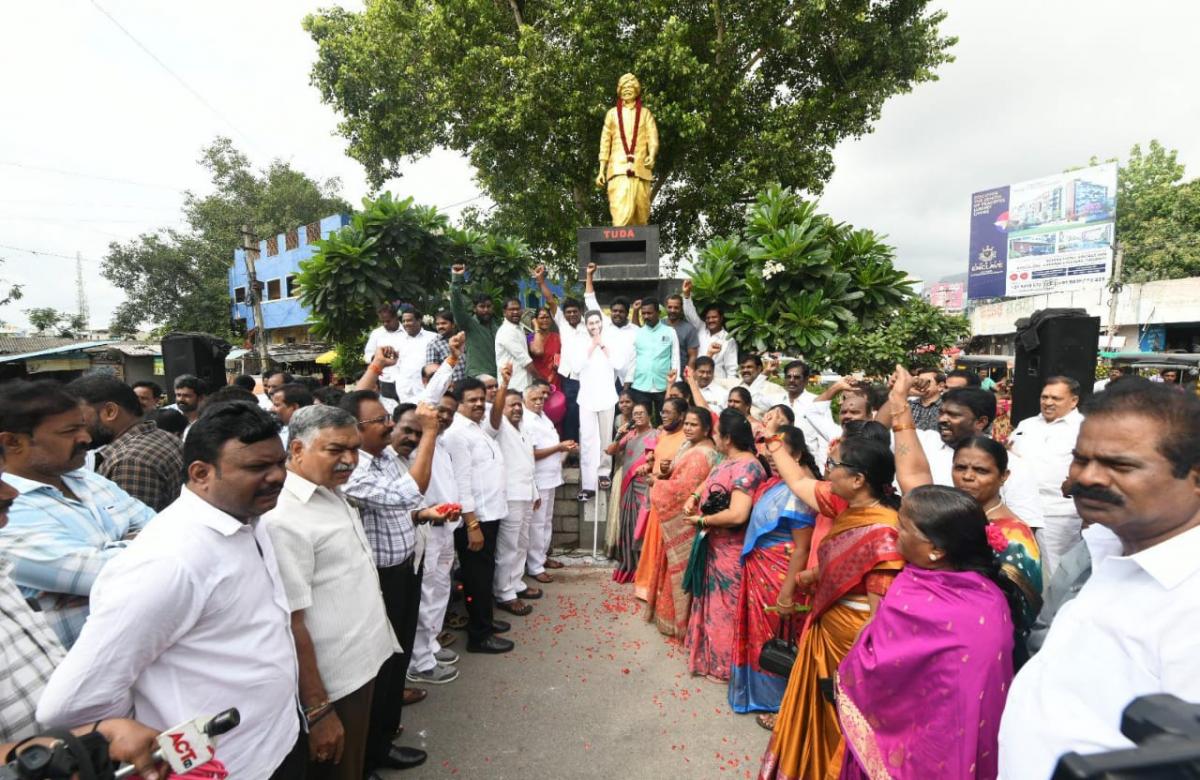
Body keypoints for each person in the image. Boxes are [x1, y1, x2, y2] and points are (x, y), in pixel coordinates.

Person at [37, 401, 307, 780]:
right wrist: (150, 734)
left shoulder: (249, 517)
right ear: (201, 473)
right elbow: (71, 704)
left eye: (279, 463)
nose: (277, 476)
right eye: (257, 468)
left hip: (276, 742)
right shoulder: (169, 562)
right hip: (222, 768)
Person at [998, 379, 1200, 779]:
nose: (1087, 478)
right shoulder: (1106, 548)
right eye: (1081, 459)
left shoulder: (1190, 602)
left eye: (1119, 465)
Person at [836, 486, 1021, 780]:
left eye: (904, 527)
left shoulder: (971, 606)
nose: (895, 531)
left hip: (938, 744)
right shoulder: (974, 594)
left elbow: (877, 666)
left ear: (936, 550)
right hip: (916, 729)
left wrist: (864, 643)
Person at [263, 405, 401, 780]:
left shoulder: (330, 492)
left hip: (365, 659)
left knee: (353, 764)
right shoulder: (283, 518)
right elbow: (292, 622)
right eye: (335, 450)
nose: (350, 460)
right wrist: (318, 708)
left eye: (354, 449)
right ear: (296, 451)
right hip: (333, 679)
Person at [759, 437, 904, 780]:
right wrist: (814, 574)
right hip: (826, 628)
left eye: (833, 466)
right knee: (815, 718)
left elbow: (877, 616)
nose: (827, 472)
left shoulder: (885, 530)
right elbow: (845, 563)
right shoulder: (849, 508)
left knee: (838, 727)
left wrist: (861, 664)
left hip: (849, 645)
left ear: (858, 479)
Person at [0, 379, 155, 648]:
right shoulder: (8, 510)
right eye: (70, 430)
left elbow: (164, 527)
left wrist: (106, 551)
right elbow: (104, 574)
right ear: (13, 442)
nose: (86, 438)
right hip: (74, 675)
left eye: (83, 425)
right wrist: (135, 540)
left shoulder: (87, 479)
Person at [340, 391, 448, 771]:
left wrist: (422, 515)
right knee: (381, 668)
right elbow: (409, 491)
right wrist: (430, 433)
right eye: (380, 420)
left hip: (406, 567)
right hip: (379, 580)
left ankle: (383, 738)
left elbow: (406, 505)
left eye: (388, 417)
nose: (389, 424)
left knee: (397, 660)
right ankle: (368, 755)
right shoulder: (353, 468)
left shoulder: (386, 457)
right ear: (354, 428)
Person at [729, 426, 819, 714]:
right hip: (760, 568)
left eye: (777, 449)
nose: (769, 455)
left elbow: (803, 548)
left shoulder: (799, 490)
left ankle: (780, 704)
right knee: (758, 633)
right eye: (768, 448)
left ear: (797, 455)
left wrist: (787, 591)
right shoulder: (772, 485)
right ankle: (757, 694)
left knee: (776, 634)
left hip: (779, 573)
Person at [682, 410, 769, 680]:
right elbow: (711, 479)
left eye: (717, 434)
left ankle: (725, 667)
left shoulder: (748, 467)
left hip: (731, 550)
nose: (714, 438)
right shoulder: (728, 460)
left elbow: (738, 514)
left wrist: (702, 520)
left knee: (725, 610)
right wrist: (694, 495)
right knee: (710, 604)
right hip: (713, 544)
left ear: (728, 438)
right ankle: (708, 657)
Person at [444, 377, 513, 654]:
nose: (478, 404)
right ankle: (479, 635)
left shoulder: (477, 428)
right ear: (458, 403)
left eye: (481, 399)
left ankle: (486, 621)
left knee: (485, 574)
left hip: (490, 513)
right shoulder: (457, 434)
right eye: (471, 399)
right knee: (476, 578)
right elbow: (461, 483)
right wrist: (471, 523)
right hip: (476, 519)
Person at [642, 406, 719, 637]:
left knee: (682, 572)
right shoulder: (689, 446)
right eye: (686, 423)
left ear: (706, 429)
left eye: (693, 425)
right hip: (679, 518)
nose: (687, 428)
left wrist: (657, 484)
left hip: (686, 519)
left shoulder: (704, 454)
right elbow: (677, 477)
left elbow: (683, 490)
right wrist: (664, 473)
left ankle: (682, 624)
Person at [66, 374, 184, 512]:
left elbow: (130, 529)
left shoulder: (130, 461)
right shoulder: (163, 437)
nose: (77, 431)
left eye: (80, 419)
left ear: (110, 412)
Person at [1008, 375, 1084, 575]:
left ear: (1073, 401)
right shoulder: (1026, 425)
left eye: (1056, 398)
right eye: (1044, 397)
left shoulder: (1085, 428)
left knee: (1057, 571)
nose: (1048, 402)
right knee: (1021, 568)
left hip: (1058, 513)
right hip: (1020, 510)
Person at [489, 369, 541, 618]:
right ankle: (504, 592)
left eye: (519, 405)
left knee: (522, 542)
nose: (517, 409)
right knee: (508, 546)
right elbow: (496, 413)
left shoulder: (523, 428)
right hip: (509, 496)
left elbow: (528, 463)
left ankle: (516, 582)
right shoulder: (498, 428)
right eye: (512, 405)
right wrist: (504, 385)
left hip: (526, 493)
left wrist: (535, 491)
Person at [632, 397, 689, 600]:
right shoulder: (664, 434)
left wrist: (657, 477)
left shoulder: (686, 439)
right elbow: (657, 459)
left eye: (668, 412)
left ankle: (659, 591)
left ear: (681, 416)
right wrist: (648, 467)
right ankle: (647, 588)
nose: (663, 415)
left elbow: (680, 471)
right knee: (651, 542)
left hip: (671, 500)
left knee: (663, 547)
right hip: (655, 496)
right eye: (662, 412)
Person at [523, 381, 575, 581]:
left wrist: (563, 448)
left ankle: (542, 557)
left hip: (551, 476)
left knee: (545, 521)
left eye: (541, 399)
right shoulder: (526, 422)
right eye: (534, 399)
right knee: (536, 524)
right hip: (538, 478)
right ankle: (535, 566)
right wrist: (559, 448)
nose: (539, 402)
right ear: (524, 400)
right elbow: (531, 453)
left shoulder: (542, 417)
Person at [595, 72, 659, 226]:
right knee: (620, 208)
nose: (627, 90)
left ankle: (639, 244)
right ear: (619, 90)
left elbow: (652, 137)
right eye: (624, 87)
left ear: (636, 90)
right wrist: (601, 170)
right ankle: (619, 242)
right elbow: (605, 142)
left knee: (642, 209)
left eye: (630, 87)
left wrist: (652, 154)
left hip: (641, 168)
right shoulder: (611, 114)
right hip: (618, 169)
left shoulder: (645, 114)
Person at [534, 265, 586, 443]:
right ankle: (571, 449)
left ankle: (586, 448)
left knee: (587, 413)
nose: (571, 315)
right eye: (569, 312)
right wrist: (541, 281)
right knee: (570, 412)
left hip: (588, 376)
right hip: (569, 378)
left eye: (575, 312)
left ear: (581, 312)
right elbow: (550, 300)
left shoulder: (589, 325)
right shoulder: (562, 323)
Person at [576, 309, 622, 498]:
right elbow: (576, 367)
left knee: (605, 437)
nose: (595, 326)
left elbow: (619, 364)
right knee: (587, 439)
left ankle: (604, 473)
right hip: (586, 398)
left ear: (602, 322)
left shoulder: (611, 340)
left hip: (607, 397)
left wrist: (602, 345)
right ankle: (587, 483)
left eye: (597, 322)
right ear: (585, 325)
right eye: (591, 323)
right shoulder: (579, 342)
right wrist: (591, 346)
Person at [609, 402, 656, 583]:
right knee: (628, 524)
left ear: (649, 415)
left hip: (644, 484)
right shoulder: (629, 435)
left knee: (641, 524)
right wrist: (619, 435)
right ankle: (631, 565)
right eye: (635, 414)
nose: (637, 416)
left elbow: (655, 458)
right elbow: (611, 451)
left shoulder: (655, 434)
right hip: (628, 484)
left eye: (641, 413)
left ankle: (644, 568)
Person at [363, 303, 436, 401]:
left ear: (396, 318)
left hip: (413, 383)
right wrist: (378, 358)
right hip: (387, 381)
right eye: (382, 322)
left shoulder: (408, 332)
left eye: (388, 321)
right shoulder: (377, 334)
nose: (385, 324)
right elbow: (367, 355)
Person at [626, 297, 680, 422]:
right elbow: (633, 359)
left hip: (663, 385)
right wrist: (628, 381)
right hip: (640, 385)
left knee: (666, 420)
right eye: (643, 313)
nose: (646, 316)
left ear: (658, 313)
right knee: (642, 421)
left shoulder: (670, 332)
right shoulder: (637, 333)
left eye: (649, 313)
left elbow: (675, 357)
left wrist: (674, 382)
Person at [449, 263, 501, 378]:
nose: (486, 310)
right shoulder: (469, 324)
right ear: (474, 308)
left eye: (489, 306)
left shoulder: (498, 326)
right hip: (478, 376)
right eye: (482, 307)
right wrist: (456, 279)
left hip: (499, 376)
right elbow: (456, 306)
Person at [681, 279, 738, 379]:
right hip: (698, 381)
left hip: (718, 384)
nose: (711, 320)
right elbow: (690, 314)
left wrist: (730, 388)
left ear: (721, 318)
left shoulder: (728, 340)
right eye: (708, 318)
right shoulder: (701, 329)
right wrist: (686, 295)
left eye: (714, 317)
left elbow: (732, 369)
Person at [605, 392, 637, 557]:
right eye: (621, 402)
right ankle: (616, 548)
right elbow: (611, 446)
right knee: (618, 508)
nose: (624, 405)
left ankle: (631, 550)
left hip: (636, 469)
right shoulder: (615, 420)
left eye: (627, 401)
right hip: (619, 467)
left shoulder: (641, 420)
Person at [494, 297, 538, 392]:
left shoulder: (519, 328)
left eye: (518, 309)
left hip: (524, 385)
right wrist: (541, 380)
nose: (515, 312)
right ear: (504, 312)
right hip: (513, 387)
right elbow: (525, 360)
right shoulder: (506, 331)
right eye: (511, 309)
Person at [425, 309, 468, 387]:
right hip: (450, 388)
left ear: (453, 324)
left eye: (444, 323)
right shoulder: (433, 345)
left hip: (469, 385)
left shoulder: (462, 338)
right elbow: (432, 372)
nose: (440, 326)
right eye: (437, 324)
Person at [737, 354, 787, 418]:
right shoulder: (734, 386)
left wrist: (766, 372)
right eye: (742, 367)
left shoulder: (775, 389)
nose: (745, 370)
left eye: (749, 367)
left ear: (759, 368)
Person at [527, 306, 562, 389]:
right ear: (535, 320)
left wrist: (559, 363)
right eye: (541, 318)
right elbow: (538, 351)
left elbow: (561, 355)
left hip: (555, 380)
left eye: (547, 317)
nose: (545, 320)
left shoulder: (557, 337)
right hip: (538, 381)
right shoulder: (530, 338)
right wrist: (536, 326)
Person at [664, 294, 699, 372]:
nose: (672, 310)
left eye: (676, 308)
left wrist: (688, 376)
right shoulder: (659, 325)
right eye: (670, 307)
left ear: (681, 309)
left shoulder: (689, 329)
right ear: (666, 307)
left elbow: (692, 356)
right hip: (659, 375)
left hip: (680, 375)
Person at [907, 367, 944, 431]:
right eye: (920, 381)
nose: (922, 384)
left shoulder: (946, 408)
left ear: (940, 386)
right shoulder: (909, 405)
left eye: (928, 381)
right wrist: (908, 391)